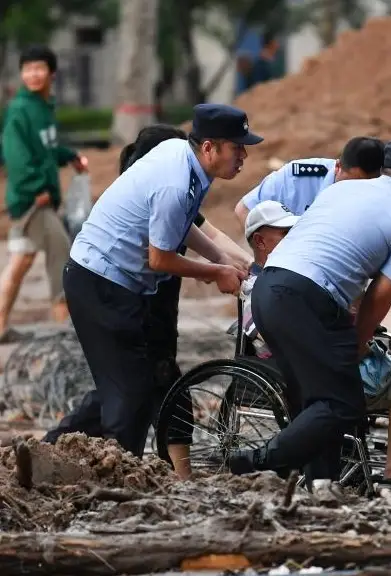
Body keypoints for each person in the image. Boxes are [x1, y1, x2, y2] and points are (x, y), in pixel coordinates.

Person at [224, 138, 391, 504]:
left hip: (270, 289)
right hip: (307, 298)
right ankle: (258, 464)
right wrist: (359, 343)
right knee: (342, 402)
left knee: (312, 398)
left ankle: (322, 484)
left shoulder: (343, 190)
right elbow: (380, 294)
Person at [44, 124, 253, 480]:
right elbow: (160, 261)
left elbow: (188, 225)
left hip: (117, 285)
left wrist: (222, 259)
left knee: (125, 388)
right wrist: (214, 271)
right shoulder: (174, 181)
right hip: (102, 284)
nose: (244, 157)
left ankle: (49, 452)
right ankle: (118, 483)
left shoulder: (187, 168)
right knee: (130, 395)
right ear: (209, 148)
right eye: (238, 148)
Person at [234, 136, 391, 357]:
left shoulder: (376, 201)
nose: (355, 192)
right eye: (350, 182)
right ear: (338, 166)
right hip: (283, 285)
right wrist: (270, 266)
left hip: (334, 297)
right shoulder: (299, 177)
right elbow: (245, 210)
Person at [0, 44, 89, 342]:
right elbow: (16, 156)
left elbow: (46, 149)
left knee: (21, 261)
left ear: (52, 73)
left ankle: (0, 324)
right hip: (33, 199)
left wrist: (69, 156)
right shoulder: (21, 110)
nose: (33, 75)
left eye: (39, 69)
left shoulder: (43, 107)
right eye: (28, 69)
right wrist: (37, 188)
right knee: (62, 255)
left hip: (39, 197)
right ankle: (67, 330)